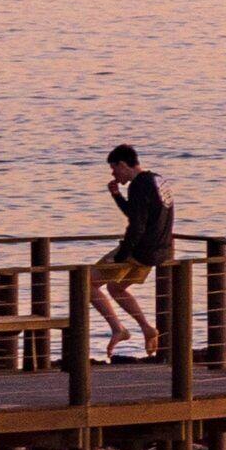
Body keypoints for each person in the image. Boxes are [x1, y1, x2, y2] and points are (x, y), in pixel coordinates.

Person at [96, 146, 175, 362]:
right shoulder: (157, 181)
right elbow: (137, 212)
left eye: (114, 169)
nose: (113, 174)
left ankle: (118, 329)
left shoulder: (139, 185)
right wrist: (116, 195)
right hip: (158, 251)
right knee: (115, 287)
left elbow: (137, 226)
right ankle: (147, 328)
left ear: (123, 164)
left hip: (139, 250)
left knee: (86, 283)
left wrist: (122, 255)